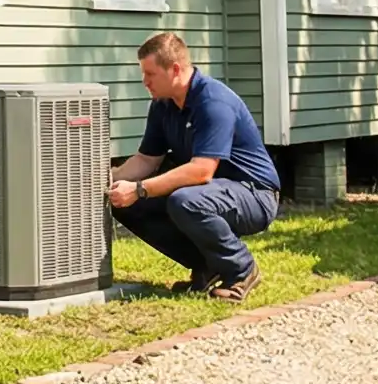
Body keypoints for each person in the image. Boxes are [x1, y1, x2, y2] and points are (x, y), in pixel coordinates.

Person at [107, 31, 280, 299]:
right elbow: (146, 159)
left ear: (175, 70)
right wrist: (109, 182)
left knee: (184, 200)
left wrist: (140, 189)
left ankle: (241, 269)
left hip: (254, 194)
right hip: (208, 191)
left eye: (150, 74)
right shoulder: (162, 105)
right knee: (125, 203)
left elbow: (201, 170)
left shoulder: (212, 101)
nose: (145, 82)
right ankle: (207, 266)